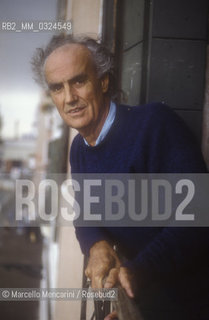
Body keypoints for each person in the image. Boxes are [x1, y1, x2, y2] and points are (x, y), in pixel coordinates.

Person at [32, 34, 209, 320]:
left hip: (193, 302)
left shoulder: (154, 123)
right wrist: (96, 245)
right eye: (57, 88)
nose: (69, 98)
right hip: (140, 302)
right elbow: (85, 214)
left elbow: (200, 216)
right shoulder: (79, 148)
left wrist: (140, 271)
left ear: (103, 81)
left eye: (79, 81)